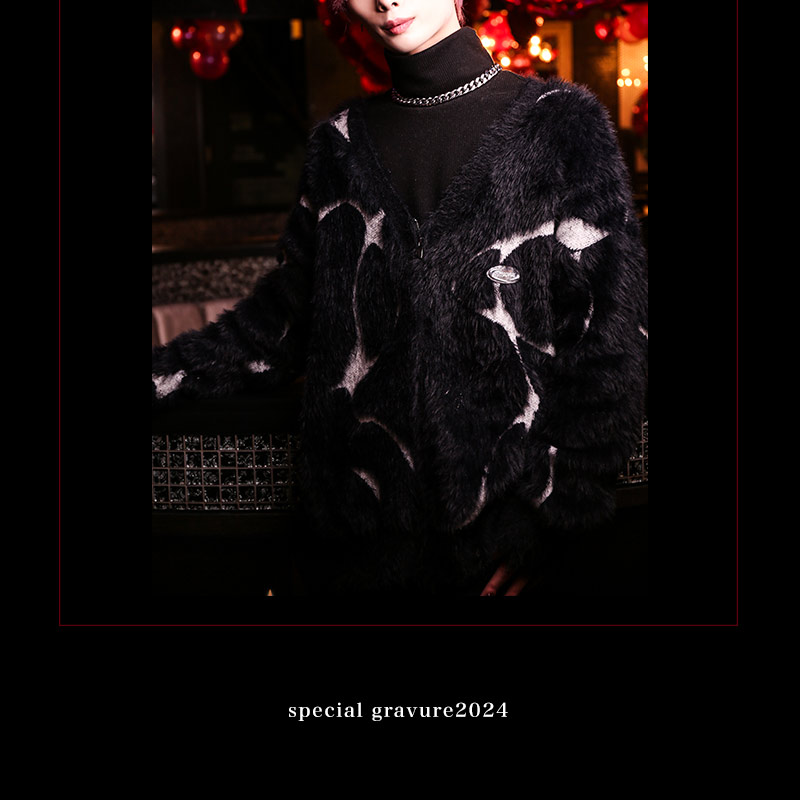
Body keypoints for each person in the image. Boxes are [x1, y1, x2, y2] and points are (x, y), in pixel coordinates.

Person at [152, 0, 649, 597]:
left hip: (500, 545)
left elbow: (611, 342)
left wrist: (552, 520)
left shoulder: (561, 127)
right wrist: (162, 376)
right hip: (357, 546)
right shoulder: (338, 146)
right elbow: (279, 324)